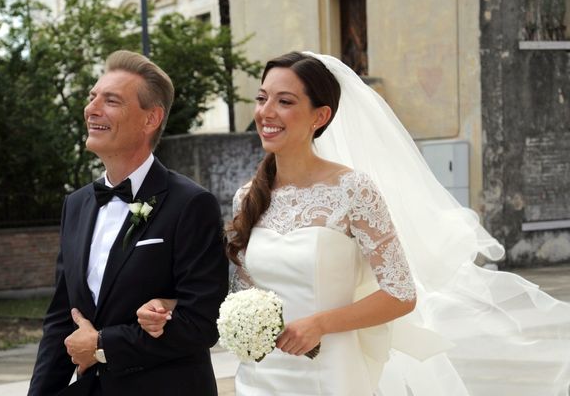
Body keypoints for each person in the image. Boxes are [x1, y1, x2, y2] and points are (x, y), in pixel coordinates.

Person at [140, 51, 570, 395]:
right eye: (262, 97)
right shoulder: (248, 195)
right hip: (263, 373)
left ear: (319, 116)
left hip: (331, 371)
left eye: (285, 101)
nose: (266, 111)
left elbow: (400, 294)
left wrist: (321, 323)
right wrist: (174, 307)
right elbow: (244, 293)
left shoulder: (353, 190)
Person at [28, 50, 229, 396]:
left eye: (111, 101)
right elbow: (63, 318)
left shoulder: (191, 204)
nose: (92, 109)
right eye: (92, 97)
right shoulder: (75, 205)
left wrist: (103, 344)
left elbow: (201, 322)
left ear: (150, 119)